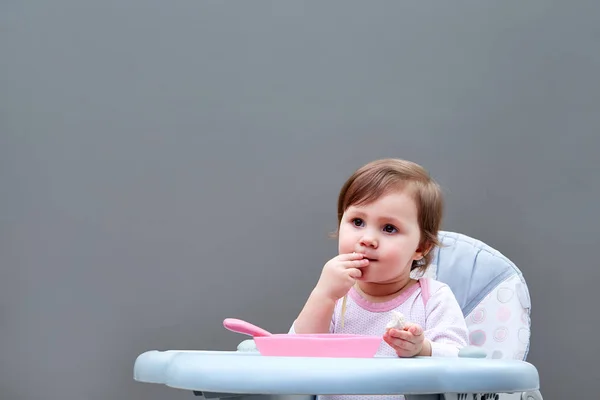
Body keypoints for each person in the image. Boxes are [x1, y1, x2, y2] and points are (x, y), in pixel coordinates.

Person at [291, 158, 469, 366]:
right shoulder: (335, 297)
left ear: (420, 247)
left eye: (389, 228)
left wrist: (422, 348)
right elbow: (296, 355)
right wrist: (323, 296)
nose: (367, 239)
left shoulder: (433, 298)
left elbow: (461, 359)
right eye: (357, 222)